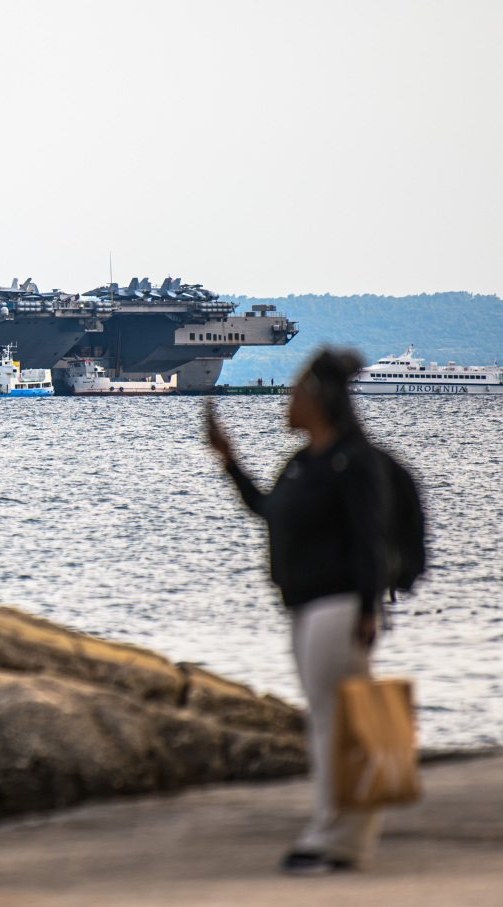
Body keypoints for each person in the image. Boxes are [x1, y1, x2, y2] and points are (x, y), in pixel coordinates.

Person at [205, 348, 390, 874]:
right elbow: (267, 511)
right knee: (328, 722)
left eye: (297, 392)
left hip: (339, 605)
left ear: (319, 401)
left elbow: (370, 541)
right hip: (306, 607)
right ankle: (340, 833)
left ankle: (336, 837)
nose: (288, 401)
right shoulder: (303, 464)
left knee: (333, 723)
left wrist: (369, 608)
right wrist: (229, 461)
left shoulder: (351, 462)